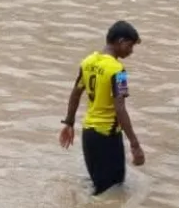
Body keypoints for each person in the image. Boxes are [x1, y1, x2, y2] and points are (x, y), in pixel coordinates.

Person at [58, 20, 144, 196]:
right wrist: (135, 144)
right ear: (120, 42)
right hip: (107, 137)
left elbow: (76, 92)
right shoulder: (118, 70)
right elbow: (120, 108)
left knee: (99, 190)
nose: (131, 51)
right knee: (114, 190)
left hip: (89, 134)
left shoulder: (87, 62)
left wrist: (69, 123)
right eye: (130, 45)